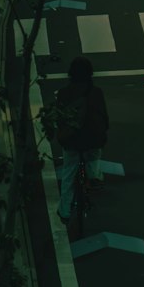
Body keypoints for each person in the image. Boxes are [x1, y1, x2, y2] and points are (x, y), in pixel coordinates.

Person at [48, 56, 110, 235]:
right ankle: (93, 176)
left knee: (69, 172)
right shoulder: (96, 92)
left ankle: (65, 211)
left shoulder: (63, 93)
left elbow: (59, 120)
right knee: (94, 154)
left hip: (72, 140)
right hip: (93, 139)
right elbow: (104, 118)